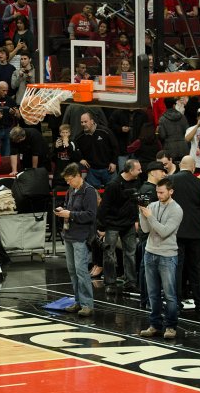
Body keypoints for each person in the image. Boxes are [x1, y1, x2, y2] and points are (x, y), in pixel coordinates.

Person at [139, 178, 184, 339]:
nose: (158, 195)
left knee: (170, 295)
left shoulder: (177, 210)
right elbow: (145, 229)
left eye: (162, 192)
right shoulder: (152, 206)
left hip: (167, 255)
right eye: (157, 192)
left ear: (171, 191)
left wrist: (150, 217)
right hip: (150, 252)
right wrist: (142, 213)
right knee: (153, 293)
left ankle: (171, 326)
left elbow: (164, 232)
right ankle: (154, 325)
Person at [56, 162, 98, 316]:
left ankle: (87, 304)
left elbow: (91, 215)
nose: (68, 183)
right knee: (72, 271)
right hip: (69, 235)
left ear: (78, 176)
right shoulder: (71, 190)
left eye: (69, 179)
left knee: (81, 271)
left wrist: (70, 214)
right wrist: (63, 210)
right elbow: (69, 206)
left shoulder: (89, 191)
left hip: (81, 236)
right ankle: (78, 301)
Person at [170, 156, 200, 312]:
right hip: (195, 232)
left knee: (176, 269)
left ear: (180, 166)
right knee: (197, 268)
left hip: (175, 232)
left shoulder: (171, 180)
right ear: (193, 167)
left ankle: (176, 303)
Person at [97, 159, 142, 291]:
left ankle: (131, 281)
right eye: (138, 169)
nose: (141, 171)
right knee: (109, 254)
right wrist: (101, 227)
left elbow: (135, 203)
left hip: (129, 223)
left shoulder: (137, 182)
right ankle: (110, 283)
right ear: (130, 170)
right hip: (112, 223)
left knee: (130, 253)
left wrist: (136, 220)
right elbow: (104, 206)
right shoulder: (113, 185)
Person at [75, 112, 119, 188]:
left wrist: (114, 162)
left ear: (92, 121)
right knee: (94, 195)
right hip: (92, 171)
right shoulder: (79, 137)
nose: (83, 124)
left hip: (108, 168)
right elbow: (75, 151)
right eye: (82, 122)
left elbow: (115, 147)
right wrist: (80, 159)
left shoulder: (105, 131)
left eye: (85, 121)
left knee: (113, 191)